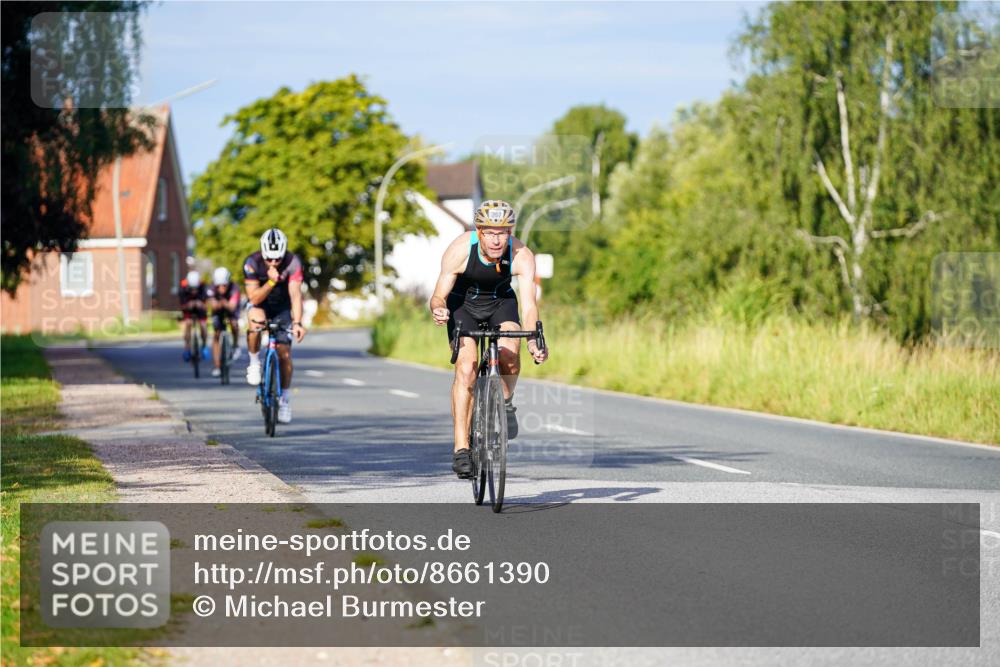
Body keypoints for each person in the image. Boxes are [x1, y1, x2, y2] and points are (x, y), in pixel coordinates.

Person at [428, 200, 549, 478]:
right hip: (462, 305)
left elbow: (529, 305)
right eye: (490, 232)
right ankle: (461, 448)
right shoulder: (459, 250)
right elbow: (438, 295)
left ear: (510, 232)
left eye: (503, 232)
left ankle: (505, 402)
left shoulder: (521, 254)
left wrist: (533, 340)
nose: (497, 239)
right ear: (479, 231)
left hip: (499, 302)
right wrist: (438, 308)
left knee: (510, 352)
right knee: (467, 367)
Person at [242, 228, 306, 424]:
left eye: (277, 259)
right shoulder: (252, 262)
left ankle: (285, 398)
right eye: (269, 259)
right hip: (260, 304)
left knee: (284, 353)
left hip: (282, 307)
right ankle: (254, 362)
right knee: (255, 323)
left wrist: (297, 323)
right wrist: (271, 280)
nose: (273, 262)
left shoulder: (293, 262)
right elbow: (253, 297)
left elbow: (295, 295)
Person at [207, 266, 242, 378]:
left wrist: (223, 303)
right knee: (216, 334)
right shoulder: (211, 288)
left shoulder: (235, 288)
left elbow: (232, 306)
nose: (221, 288)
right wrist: (220, 303)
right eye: (219, 286)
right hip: (218, 311)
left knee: (234, 324)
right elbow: (213, 305)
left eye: (224, 285)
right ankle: (217, 366)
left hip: (230, 310)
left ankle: (236, 345)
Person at [179, 270, 209, 362]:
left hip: (200, 309)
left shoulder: (203, 286)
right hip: (188, 309)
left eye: (196, 288)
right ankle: (187, 347)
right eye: (192, 289)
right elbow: (182, 306)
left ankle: (204, 345)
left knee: (203, 326)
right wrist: (189, 305)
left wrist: (201, 304)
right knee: (188, 323)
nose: (194, 291)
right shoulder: (183, 287)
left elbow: (207, 304)